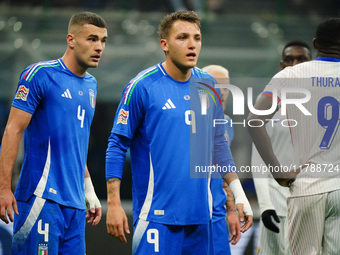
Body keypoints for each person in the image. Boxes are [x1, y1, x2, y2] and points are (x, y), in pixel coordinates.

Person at [105, 11, 252, 255]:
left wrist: (237, 194)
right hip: (156, 217)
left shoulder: (208, 84)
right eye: (182, 37)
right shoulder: (142, 86)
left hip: (201, 218)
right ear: (164, 44)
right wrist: (113, 202)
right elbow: (117, 145)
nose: (192, 44)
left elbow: (218, 144)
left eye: (197, 37)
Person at [0, 11, 107, 254]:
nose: (99, 46)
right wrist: (3, 187)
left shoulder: (92, 85)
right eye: (92, 39)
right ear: (71, 40)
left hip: (75, 206)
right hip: (41, 199)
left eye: (103, 40)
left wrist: (89, 192)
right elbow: (13, 130)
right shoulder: (40, 74)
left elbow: (74, 145)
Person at [248, 18, 340, 255]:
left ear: (316, 43)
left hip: (308, 186)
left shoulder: (291, 75)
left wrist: (277, 171)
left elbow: (254, 121)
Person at [251, 40, 312, 255]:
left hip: (312, 205)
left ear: (311, 63)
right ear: (281, 65)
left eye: (301, 59)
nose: (294, 64)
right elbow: (258, 159)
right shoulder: (266, 103)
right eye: (289, 59)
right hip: (278, 205)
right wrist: (266, 205)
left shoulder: (325, 103)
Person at [202, 65, 252, 255]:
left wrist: (231, 209)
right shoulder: (188, 122)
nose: (221, 92)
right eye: (214, 86)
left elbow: (222, 172)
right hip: (191, 216)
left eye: (225, 87)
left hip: (218, 217)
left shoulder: (227, 123)